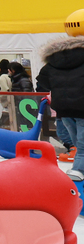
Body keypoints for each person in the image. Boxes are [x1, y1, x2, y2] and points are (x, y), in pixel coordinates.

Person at [37, 11, 84, 180]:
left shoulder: (55, 58)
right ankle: (78, 171)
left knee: (79, 144)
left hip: (64, 109)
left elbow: (43, 80)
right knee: (83, 146)